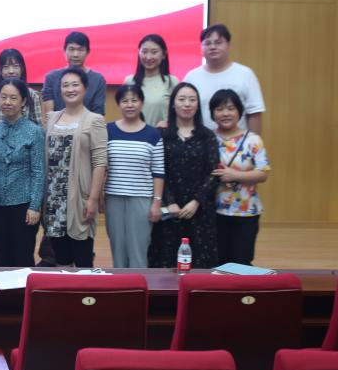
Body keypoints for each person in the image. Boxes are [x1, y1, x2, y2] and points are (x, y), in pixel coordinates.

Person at [42, 67, 108, 267]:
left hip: (80, 197)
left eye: (75, 85)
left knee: (83, 259)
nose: (70, 89)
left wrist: (93, 199)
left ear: (85, 88)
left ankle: (85, 289)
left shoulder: (95, 120)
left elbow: (100, 163)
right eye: (65, 85)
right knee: (60, 259)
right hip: (54, 198)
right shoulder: (51, 118)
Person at [151, 82, 220, 269]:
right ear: (173, 104)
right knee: (165, 261)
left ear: (198, 105)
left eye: (192, 100)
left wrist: (196, 201)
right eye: (181, 99)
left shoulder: (207, 136)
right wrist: (169, 201)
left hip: (200, 210)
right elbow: (157, 171)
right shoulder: (161, 134)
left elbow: (214, 173)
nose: (187, 104)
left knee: (200, 263)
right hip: (169, 210)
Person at [104, 84, 165, 269]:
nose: (130, 105)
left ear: (142, 103)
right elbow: (101, 166)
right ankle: (121, 285)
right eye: (125, 101)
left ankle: (139, 285)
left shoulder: (153, 134)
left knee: (139, 250)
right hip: (113, 198)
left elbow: (158, 171)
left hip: (141, 199)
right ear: (118, 104)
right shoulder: (108, 130)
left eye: (134, 100)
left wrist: (156, 202)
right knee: (118, 249)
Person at [210, 89, 271, 265]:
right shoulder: (208, 139)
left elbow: (263, 173)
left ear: (239, 111)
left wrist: (234, 175)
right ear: (212, 113)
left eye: (231, 108)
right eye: (219, 109)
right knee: (217, 262)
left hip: (246, 211)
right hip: (214, 212)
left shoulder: (253, 140)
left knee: (241, 262)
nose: (225, 113)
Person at [0, 78, 44, 267]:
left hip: (23, 205)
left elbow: (38, 171)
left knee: (22, 257)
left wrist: (35, 206)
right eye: (3, 97)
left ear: (23, 101)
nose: (7, 102)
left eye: (13, 98)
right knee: (2, 256)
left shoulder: (35, 131)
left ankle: (24, 288)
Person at [184, 24, 265, 134]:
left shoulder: (245, 74)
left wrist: (252, 141)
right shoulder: (191, 77)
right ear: (201, 47)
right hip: (202, 142)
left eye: (218, 42)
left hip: (237, 142)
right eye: (207, 43)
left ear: (229, 45)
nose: (212, 47)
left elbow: (254, 113)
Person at [0, 48, 44, 137]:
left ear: (22, 69)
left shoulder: (32, 94)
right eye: (6, 67)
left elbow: (38, 126)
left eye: (15, 66)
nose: (11, 71)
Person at [42, 31, 107, 115]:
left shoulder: (98, 80)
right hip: (58, 123)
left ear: (87, 52)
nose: (75, 55)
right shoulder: (51, 78)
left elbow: (98, 113)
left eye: (80, 50)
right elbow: (49, 115)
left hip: (88, 123)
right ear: (64, 51)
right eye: (71, 49)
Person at [124, 34, 178, 128]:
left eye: (154, 52)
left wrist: (169, 123)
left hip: (162, 134)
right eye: (144, 52)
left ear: (164, 54)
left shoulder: (172, 82)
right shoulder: (130, 81)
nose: (148, 57)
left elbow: (179, 115)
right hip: (135, 134)